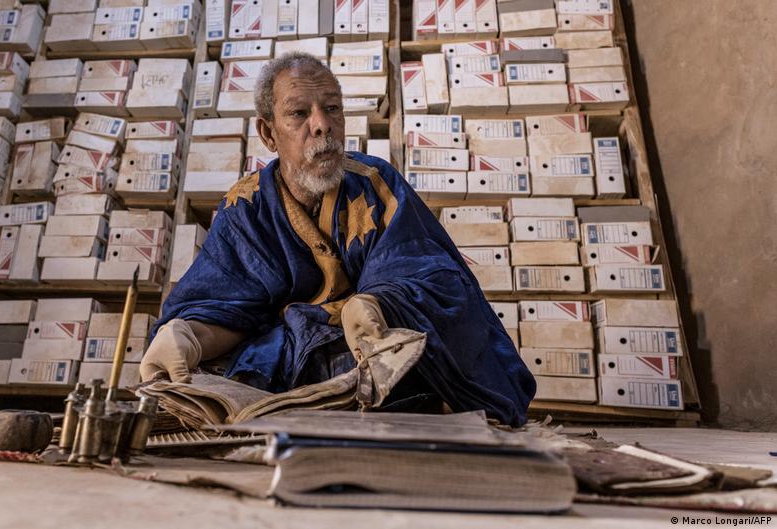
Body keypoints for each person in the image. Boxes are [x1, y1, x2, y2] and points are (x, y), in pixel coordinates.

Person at [139, 52, 536, 427]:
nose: (322, 125)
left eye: (331, 109)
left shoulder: (375, 184)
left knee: (404, 359)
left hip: (367, 348)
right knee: (227, 367)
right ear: (268, 133)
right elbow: (225, 307)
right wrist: (188, 334)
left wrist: (374, 304)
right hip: (291, 357)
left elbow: (436, 278)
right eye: (299, 113)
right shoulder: (245, 207)